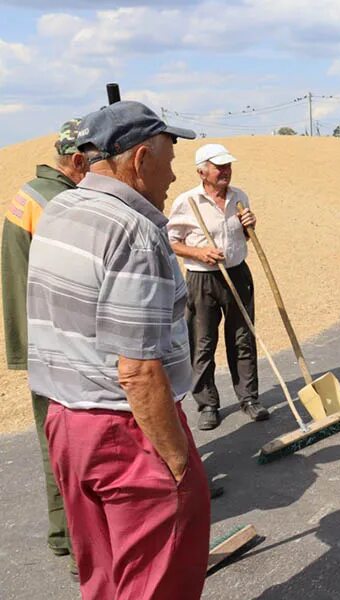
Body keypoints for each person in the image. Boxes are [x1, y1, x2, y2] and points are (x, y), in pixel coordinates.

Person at [27, 101, 210, 597]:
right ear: (141, 158)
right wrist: (177, 465)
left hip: (67, 424)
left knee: (105, 577)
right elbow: (137, 370)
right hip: (126, 431)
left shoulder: (60, 208)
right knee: (155, 579)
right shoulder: (137, 233)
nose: (174, 174)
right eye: (171, 157)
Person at [1, 119, 87, 575]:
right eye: (94, 161)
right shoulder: (57, 204)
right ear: (76, 161)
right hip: (56, 345)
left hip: (36, 341)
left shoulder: (31, 192)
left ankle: (61, 532)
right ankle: (79, 542)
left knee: (52, 438)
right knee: (71, 442)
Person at [167, 143, 269, 431]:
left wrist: (250, 225)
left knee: (243, 339)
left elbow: (243, 239)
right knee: (203, 343)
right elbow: (170, 241)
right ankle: (208, 403)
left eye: (228, 166)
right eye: (219, 166)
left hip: (237, 274)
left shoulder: (239, 196)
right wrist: (198, 253)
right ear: (202, 171)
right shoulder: (187, 202)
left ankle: (249, 398)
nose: (225, 171)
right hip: (203, 280)